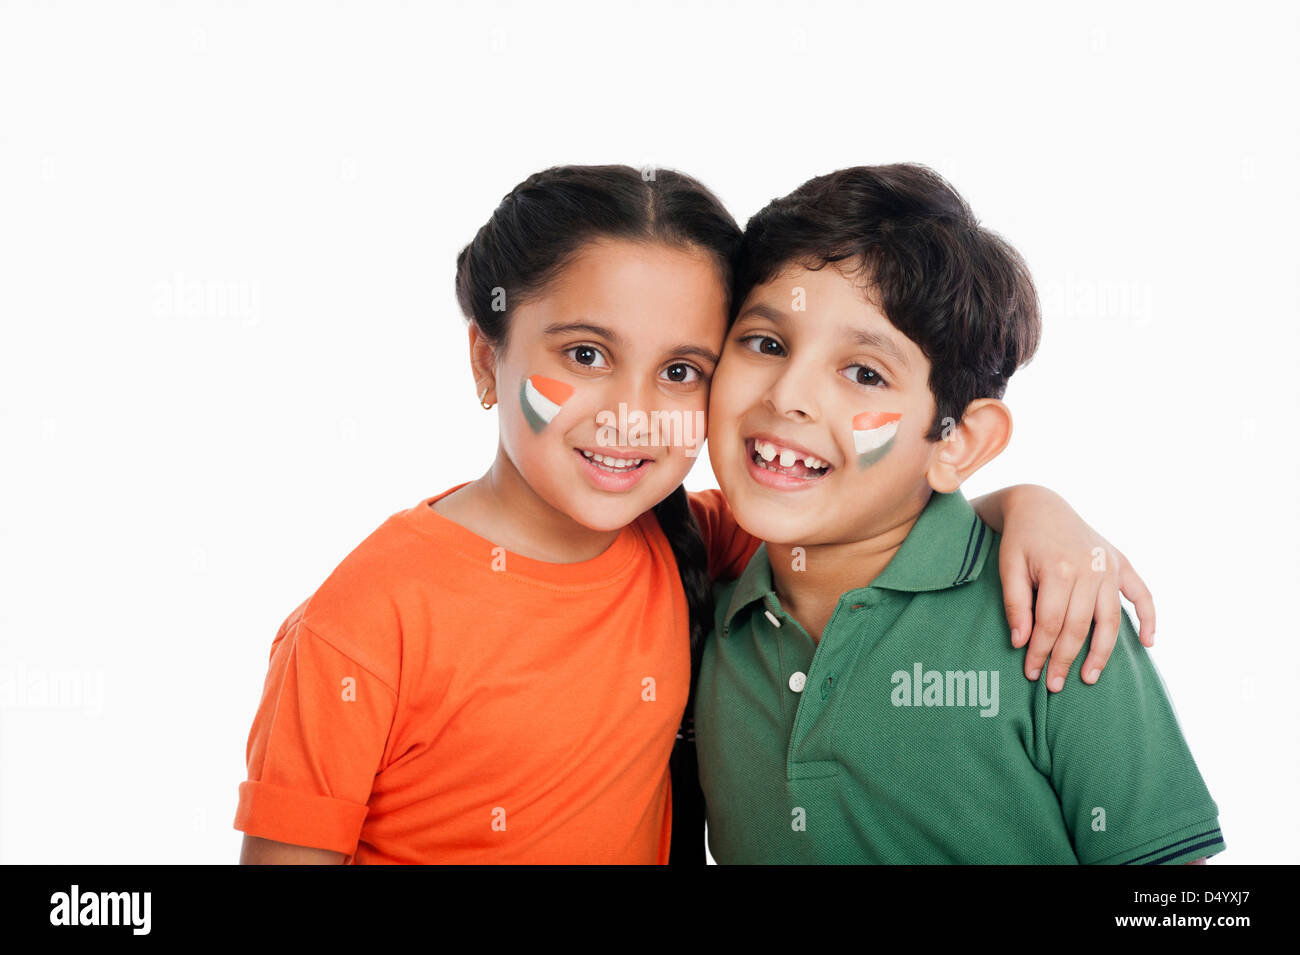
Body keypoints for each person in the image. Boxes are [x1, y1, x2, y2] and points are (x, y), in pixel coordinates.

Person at [234, 165, 1158, 864]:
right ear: (486, 358)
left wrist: (1033, 507)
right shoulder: (361, 625)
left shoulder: (703, 541)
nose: (632, 411)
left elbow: (872, 509)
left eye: (681, 370)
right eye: (587, 353)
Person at [695, 163, 1224, 864]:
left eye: (864, 373)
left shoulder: (1055, 620)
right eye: (767, 343)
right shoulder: (703, 611)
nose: (789, 394)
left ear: (959, 441)